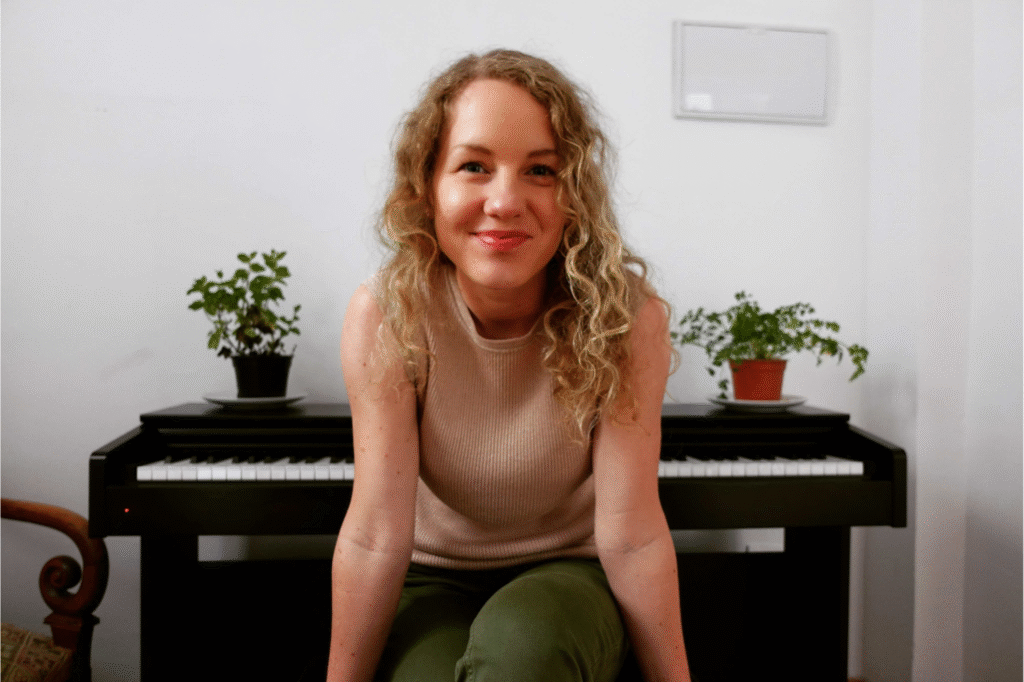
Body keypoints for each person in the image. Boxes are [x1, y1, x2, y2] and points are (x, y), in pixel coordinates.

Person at [328, 49, 691, 682]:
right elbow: (375, 534)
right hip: (430, 579)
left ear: (574, 196)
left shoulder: (628, 319)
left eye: (541, 171)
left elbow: (632, 536)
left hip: (569, 577)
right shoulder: (387, 313)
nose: (504, 201)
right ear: (427, 186)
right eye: (474, 166)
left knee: (523, 651)